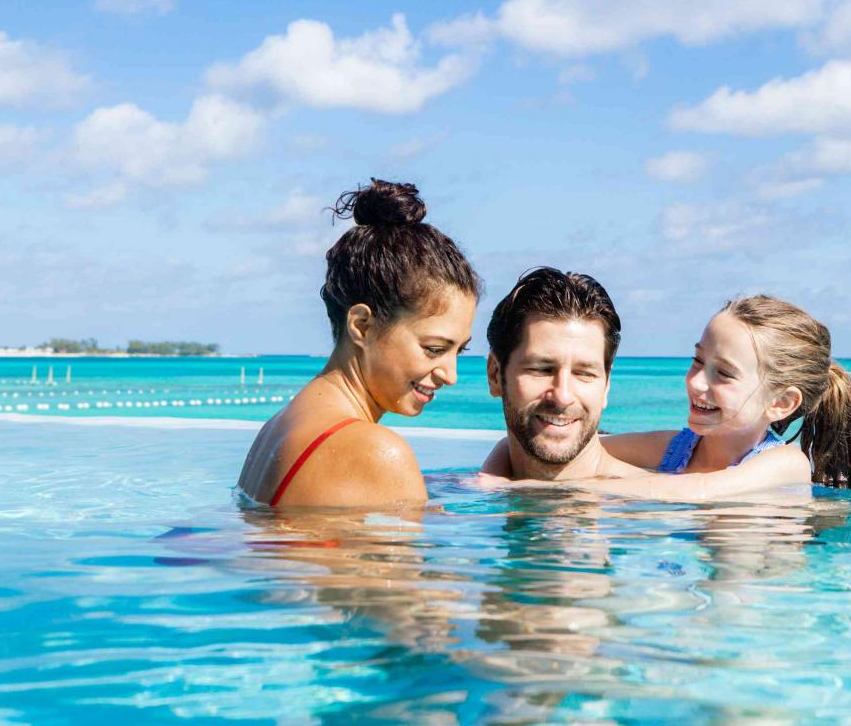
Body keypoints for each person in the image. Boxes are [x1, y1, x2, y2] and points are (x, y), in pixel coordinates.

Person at [237, 179, 480, 508]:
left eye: (459, 351)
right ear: (361, 325)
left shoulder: (280, 426)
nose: (450, 375)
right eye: (434, 349)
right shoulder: (376, 451)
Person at [595, 294, 851, 497]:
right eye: (698, 360)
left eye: (724, 373)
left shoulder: (786, 464)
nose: (697, 381)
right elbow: (591, 451)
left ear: (781, 403)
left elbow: (699, 491)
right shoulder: (675, 449)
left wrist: (578, 489)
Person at [480, 267, 646, 482]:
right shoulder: (455, 498)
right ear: (495, 375)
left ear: (606, 385)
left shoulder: (655, 506)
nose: (563, 396)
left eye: (584, 373)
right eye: (541, 369)